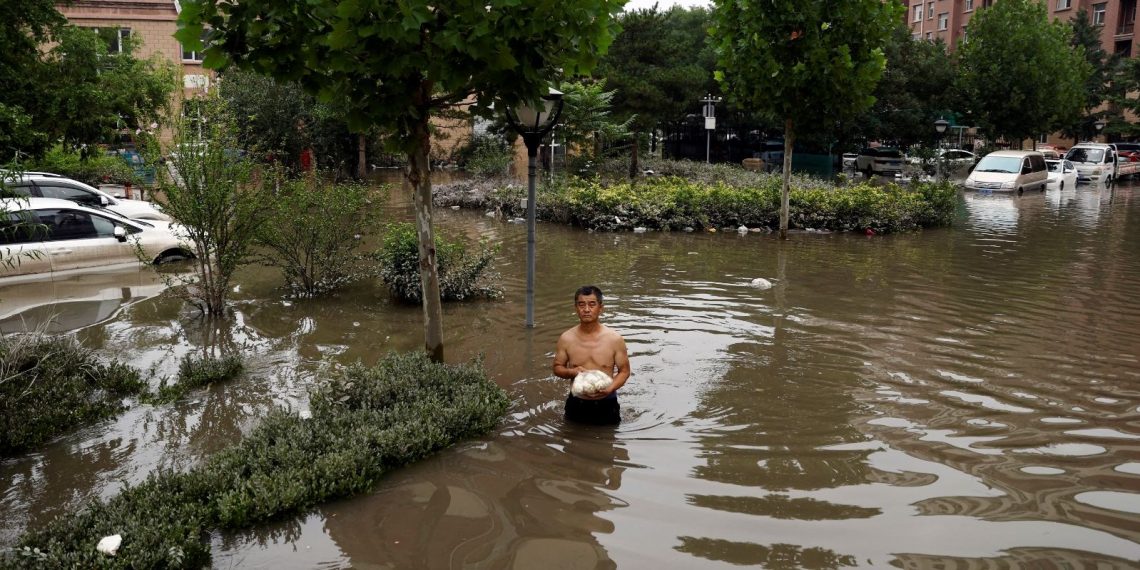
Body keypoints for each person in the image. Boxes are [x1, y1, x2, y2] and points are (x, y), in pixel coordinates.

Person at [552, 285, 631, 425]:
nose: (586, 309)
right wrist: (572, 372)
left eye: (592, 304)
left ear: (601, 308)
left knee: (608, 443)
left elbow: (624, 371)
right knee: (571, 442)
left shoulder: (614, 339)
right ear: (576, 308)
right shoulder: (566, 338)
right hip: (576, 402)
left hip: (607, 402)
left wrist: (610, 388)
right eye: (581, 304)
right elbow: (557, 368)